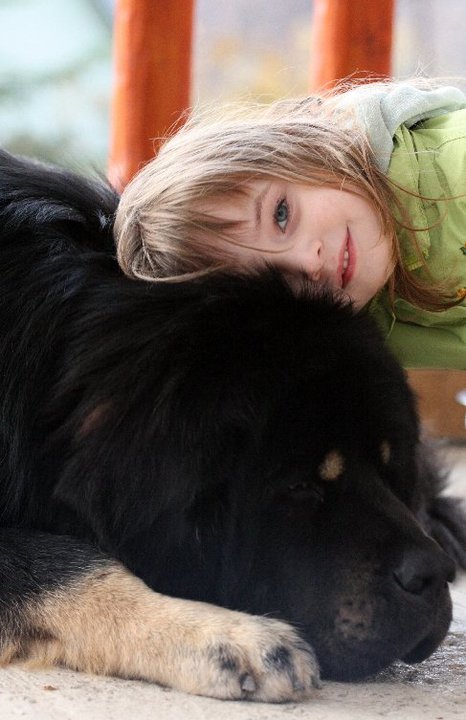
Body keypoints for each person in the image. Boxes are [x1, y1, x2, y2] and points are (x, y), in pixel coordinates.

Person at [114, 80, 466, 369]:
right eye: (277, 285)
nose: (309, 262)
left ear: (295, 146)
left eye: (281, 215)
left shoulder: (456, 168)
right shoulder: (363, 331)